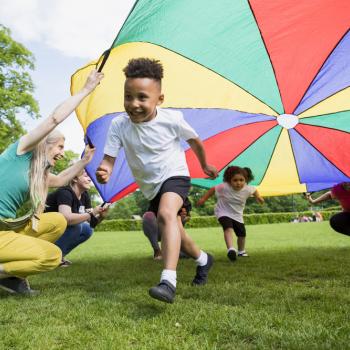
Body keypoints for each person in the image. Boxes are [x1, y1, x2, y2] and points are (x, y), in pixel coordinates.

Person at [96, 58, 218, 303]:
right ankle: (204, 260)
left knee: (165, 215)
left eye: (142, 97)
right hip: (150, 186)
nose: (134, 104)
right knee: (175, 231)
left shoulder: (171, 119)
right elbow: (108, 159)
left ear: (159, 99)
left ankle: (168, 281)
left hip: (175, 175)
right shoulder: (119, 125)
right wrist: (104, 169)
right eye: (128, 97)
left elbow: (195, 141)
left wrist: (204, 164)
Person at [0, 69, 104, 295]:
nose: (61, 153)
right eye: (59, 147)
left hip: (5, 230)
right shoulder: (20, 152)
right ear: (44, 144)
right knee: (52, 256)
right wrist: (86, 89)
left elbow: (62, 179)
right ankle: (5, 273)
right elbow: (54, 119)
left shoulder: (39, 174)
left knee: (57, 220)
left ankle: (12, 276)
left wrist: (84, 161)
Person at [197, 166, 264, 262]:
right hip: (222, 212)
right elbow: (212, 189)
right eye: (235, 180)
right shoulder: (224, 187)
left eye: (241, 180)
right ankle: (231, 249)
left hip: (237, 215)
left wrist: (259, 197)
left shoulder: (248, 189)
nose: (238, 183)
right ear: (229, 181)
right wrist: (203, 199)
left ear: (246, 180)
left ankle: (241, 251)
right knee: (228, 228)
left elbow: (254, 190)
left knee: (242, 234)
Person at [45, 170, 109, 267]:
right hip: (44, 229)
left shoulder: (85, 195)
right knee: (77, 226)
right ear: (75, 178)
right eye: (86, 176)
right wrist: (92, 212)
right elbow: (66, 218)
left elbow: (90, 221)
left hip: (60, 228)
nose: (90, 179)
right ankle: (51, 258)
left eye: (90, 177)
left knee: (88, 230)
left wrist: (101, 216)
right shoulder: (65, 192)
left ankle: (59, 256)